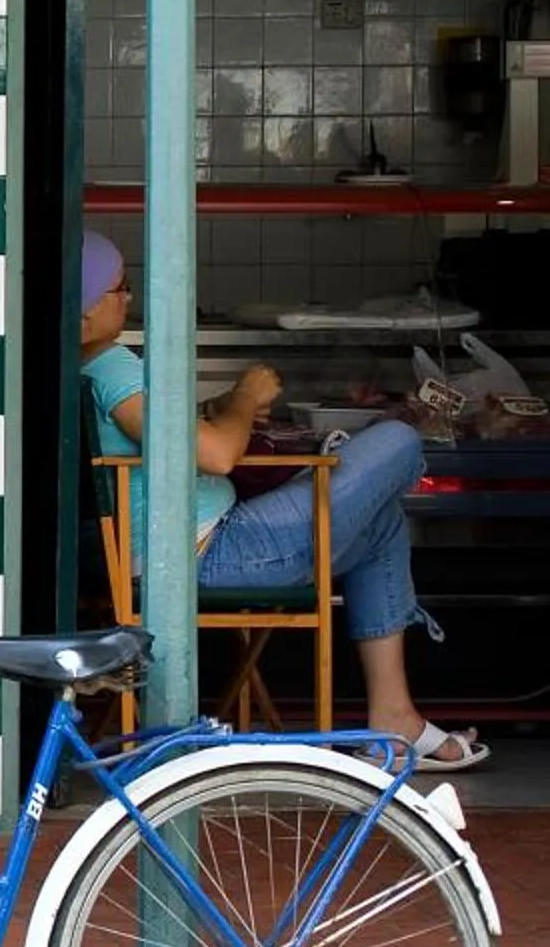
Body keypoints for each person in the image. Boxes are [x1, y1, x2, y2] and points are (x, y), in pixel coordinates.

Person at [78, 230, 481, 769]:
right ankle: (393, 719)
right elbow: (219, 455)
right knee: (398, 441)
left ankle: (394, 717)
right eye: (119, 288)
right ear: (82, 313)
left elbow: (176, 439)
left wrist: (223, 407)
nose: (129, 298)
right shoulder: (111, 368)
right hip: (214, 555)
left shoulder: (82, 369)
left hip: (201, 548)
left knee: (382, 521)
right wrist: (244, 398)